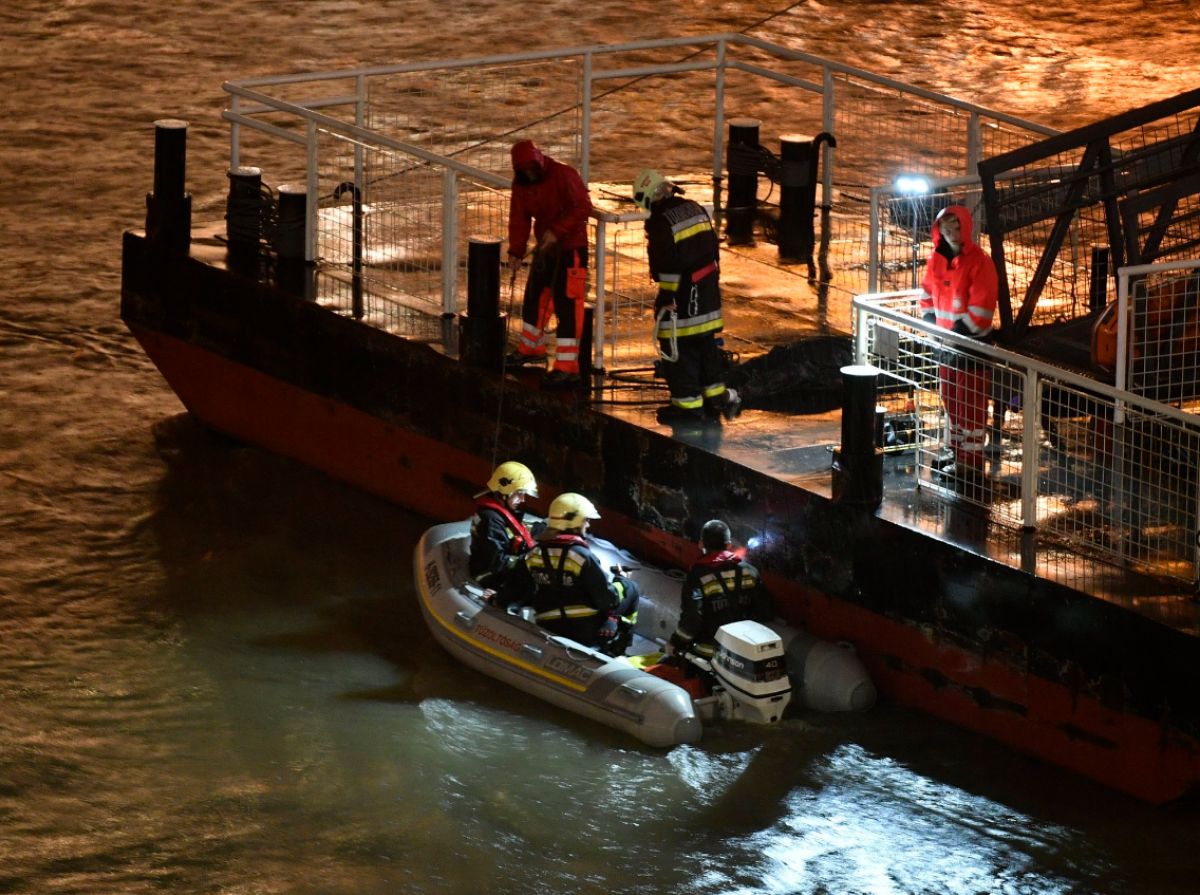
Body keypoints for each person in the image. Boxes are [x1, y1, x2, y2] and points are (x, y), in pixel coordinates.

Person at [633, 168, 740, 424]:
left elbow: (666, 267)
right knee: (705, 346)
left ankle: (688, 406)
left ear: (649, 200)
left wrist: (666, 300)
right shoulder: (695, 207)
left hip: (683, 298)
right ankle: (714, 397)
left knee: (676, 350)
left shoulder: (661, 222)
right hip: (707, 293)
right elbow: (713, 250)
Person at [494, 493, 639, 656]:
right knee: (631, 588)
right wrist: (620, 579)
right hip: (586, 631)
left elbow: (514, 589)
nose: (588, 525)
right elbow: (607, 599)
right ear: (575, 522)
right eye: (586, 520)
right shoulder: (582, 556)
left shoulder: (533, 555)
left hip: (549, 626)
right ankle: (618, 648)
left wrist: (495, 598)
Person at [918, 204, 998, 488]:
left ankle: (971, 463)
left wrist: (953, 334)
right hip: (948, 345)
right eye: (946, 229)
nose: (951, 234)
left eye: (956, 228)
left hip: (971, 347)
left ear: (966, 228)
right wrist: (931, 325)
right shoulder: (937, 260)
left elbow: (982, 308)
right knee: (952, 402)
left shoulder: (980, 263)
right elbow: (928, 294)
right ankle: (957, 453)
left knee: (971, 406)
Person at [506, 140, 594, 389]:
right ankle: (531, 349)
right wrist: (516, 250)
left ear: (538, 163)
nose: (528, 175)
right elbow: (519, 219)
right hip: (547, 248)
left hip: (571, 249)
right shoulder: (521, 185)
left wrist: (557, 231)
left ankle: (568, 368)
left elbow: (583, 207)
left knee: (567, 306)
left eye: (531, 170)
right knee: (535, 297)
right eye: (524, 172)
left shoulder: (564, 174)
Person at [666, 520, 774, 679]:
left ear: (701, 544)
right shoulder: (750, 572)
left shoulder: (697, 575)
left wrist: (674, 643)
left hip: (708, 657)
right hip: (743, 655)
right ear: (729, 545)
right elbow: (766, 611)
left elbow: (692, 619)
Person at [468, 461, 542, 593]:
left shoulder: (501, 514)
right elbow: (498, 563)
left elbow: (521, 530)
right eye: (519, 493)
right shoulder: (490, 519)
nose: (523, 499)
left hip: (502, 567)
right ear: (504, 491)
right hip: (490, 575)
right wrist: (532, 561)